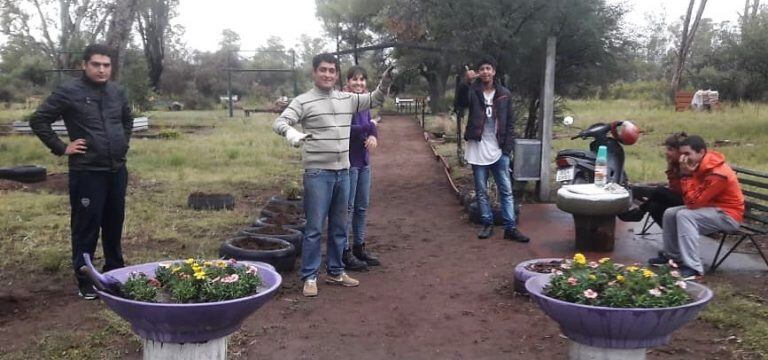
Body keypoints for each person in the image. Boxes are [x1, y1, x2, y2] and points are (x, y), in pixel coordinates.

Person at [273, 54, 393, 297]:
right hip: (318, 173)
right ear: (314, 72)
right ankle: (309, 276)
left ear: (337, 75)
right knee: (315, 228)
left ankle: (336, 271)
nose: (327, 74)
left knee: (340, 226)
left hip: (344, 172)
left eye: (332, 71)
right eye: (323, 70)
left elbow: (374, 98)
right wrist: (291, 133)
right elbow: (280, 121)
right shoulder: (303, 101)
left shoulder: (346, 99)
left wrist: (386, 81)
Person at [30, 44, 133, 300]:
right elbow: (39, 120)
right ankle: (86, 280)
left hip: (117, 170)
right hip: (87, 172)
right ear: (84, 65)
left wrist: (122, 143)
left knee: (113, 223)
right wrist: (62, 147)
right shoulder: (69, 92)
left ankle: (114, 273)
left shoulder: (117, 92)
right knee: (86, 227)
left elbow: (127, 120)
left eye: (106, 65)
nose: (101, 69)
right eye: (96, 64)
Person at [648, 135, 744, 278]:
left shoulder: (717, 174)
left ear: (701, 152)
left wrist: (686, 175)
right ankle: (673, 257)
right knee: (670, 213)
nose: (684, 158)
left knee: (684, 215)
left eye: (688, 154)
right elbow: (689, 197)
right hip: (711, 209)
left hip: (728, 215)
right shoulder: (699, 166)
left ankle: (693, 268)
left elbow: (693, 203)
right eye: (682, 154)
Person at [457, 56, 529, 242]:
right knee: (481, 189)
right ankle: (487, 223)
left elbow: (510, 122)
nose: (485, 71)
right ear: (479, 73)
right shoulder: (473, 91)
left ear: (494, 72)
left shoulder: (504, 93)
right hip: (478, 146)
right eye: (482, 69)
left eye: (489, 68)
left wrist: (507, 148)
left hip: (499, 148)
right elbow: (461, 103)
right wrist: (466, 82)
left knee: (505, 189)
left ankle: (510, 228)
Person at [341, 66, 381, 272]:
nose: (359, 83)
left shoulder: (365, 101)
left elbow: (369, 125)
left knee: (361, 207)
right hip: (349, 162)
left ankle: (359, 246)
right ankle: (344, 251)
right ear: (347, 82)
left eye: (362, 80)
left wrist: (373, 133)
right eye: (354, 80)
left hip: (364, 161)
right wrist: (371, 126)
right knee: (346, 209)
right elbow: (346, 130)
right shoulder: (342, 101)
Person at [619, 132, 687, 226]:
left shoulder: (687, 165)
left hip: (689, 202)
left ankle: (639, 212)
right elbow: (674, 188)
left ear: (681, 152)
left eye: (670, 149)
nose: (666, 152)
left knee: (659, 191)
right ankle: (672, 234)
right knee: (653, 205)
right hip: (677, 198)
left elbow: (683, 191)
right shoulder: (674, 165)